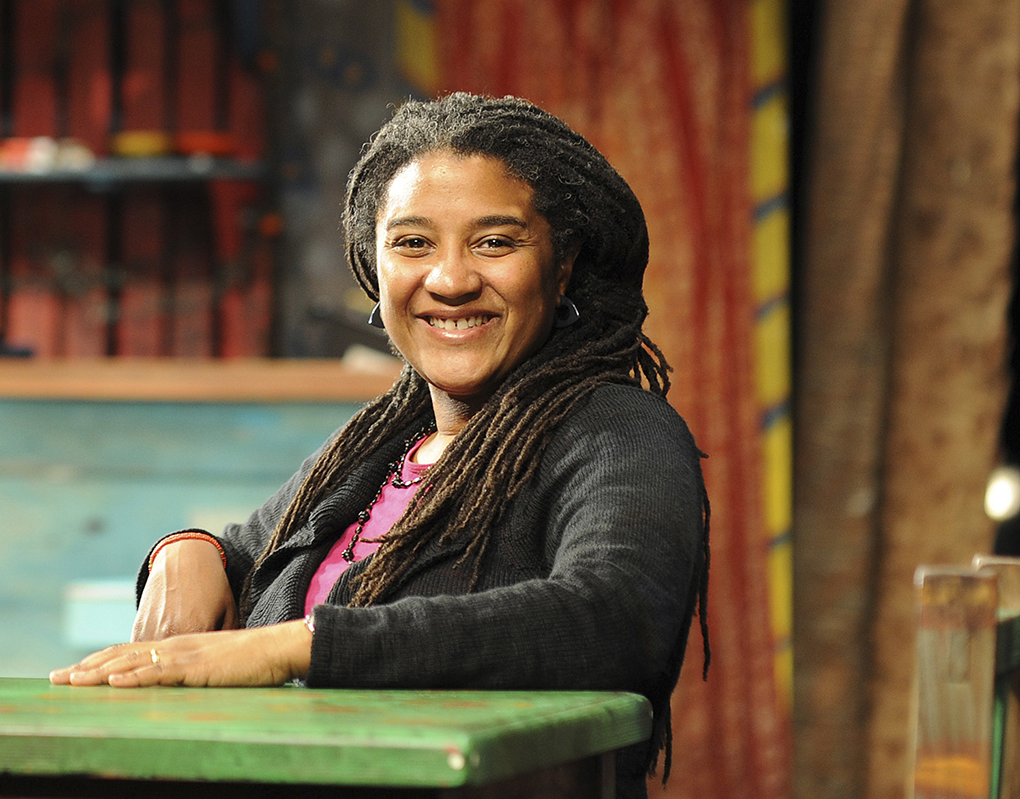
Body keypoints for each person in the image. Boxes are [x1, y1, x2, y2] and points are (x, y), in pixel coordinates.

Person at [51, 93, 708, 797]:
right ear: (375, 264)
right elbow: (249, 555)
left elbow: (612, 617)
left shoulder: (616, 429)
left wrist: (294, 646)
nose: (450, 280)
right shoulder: (378, 446)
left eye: (495, 241)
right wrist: (187, 551)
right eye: (413, 242)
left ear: (564, 265)